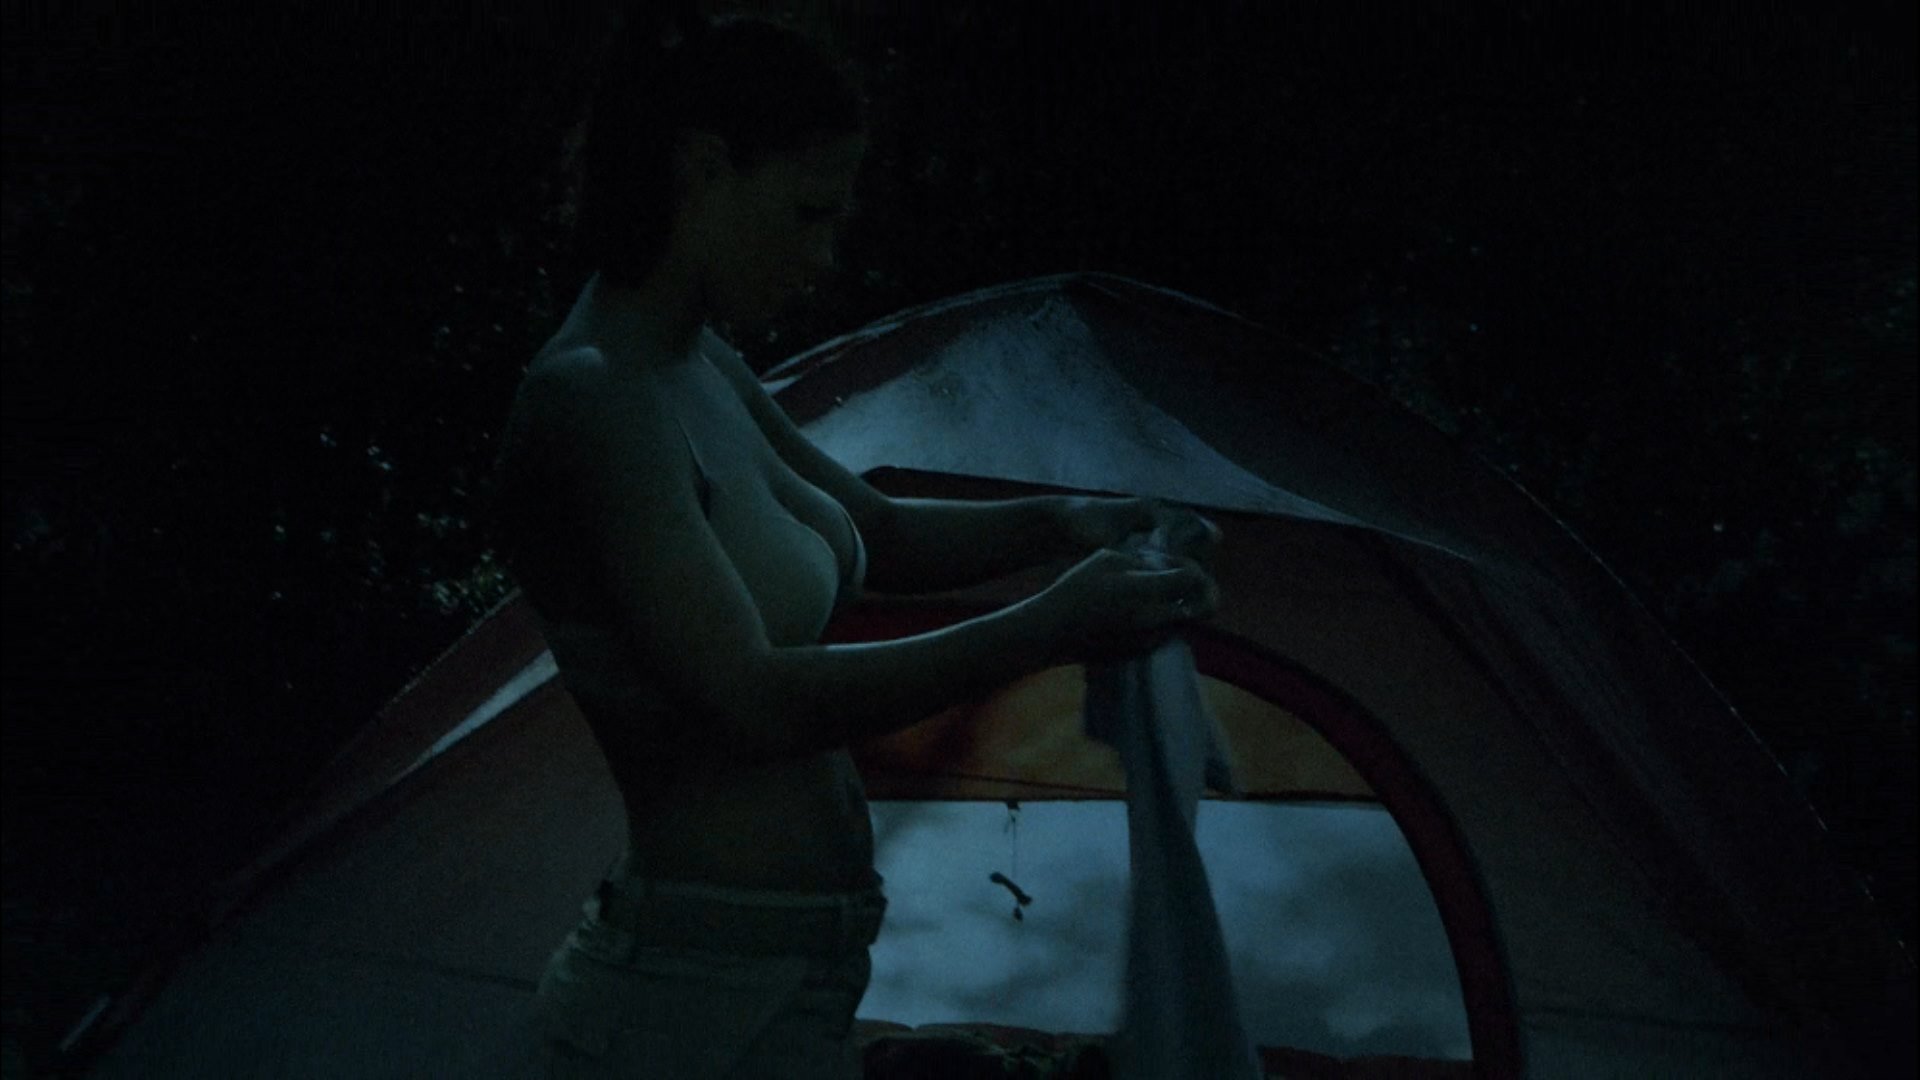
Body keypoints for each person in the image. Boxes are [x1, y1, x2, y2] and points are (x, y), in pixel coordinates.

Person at [490, 6, 1222, 1077]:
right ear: (703, 171)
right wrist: (1051, 625)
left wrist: (1065, 522)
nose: (821, 257)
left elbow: (876, 531)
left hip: (785, 984)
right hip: (680, 1005)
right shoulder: (592, 401)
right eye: (806, 213)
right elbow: (751, 697)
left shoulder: (703, 366)